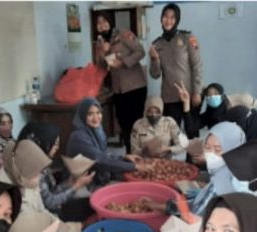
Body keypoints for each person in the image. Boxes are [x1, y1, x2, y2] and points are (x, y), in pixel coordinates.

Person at [17, 122, 94, 222]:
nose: (57, 147)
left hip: (53, 209)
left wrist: (69, 184)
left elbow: (51, 192)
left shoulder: (42, 163)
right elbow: (50, 203)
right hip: (50, 216)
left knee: (91, 202)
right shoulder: (34, 170)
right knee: (89, 207)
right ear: (44, 144)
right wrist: (76, 186)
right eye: (55, 144)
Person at [93, 10, 147, 150]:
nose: (102, 25)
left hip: (135, 87)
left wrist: (123, 62)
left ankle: (138, 155)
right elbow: (103, 67)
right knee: (123, 124)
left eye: (104, 21)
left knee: (135, 124)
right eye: (98, 23)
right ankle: (130, 154)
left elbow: (140, 52)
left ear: (110, 21)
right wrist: (102, 53)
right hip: (118, 89)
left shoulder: (123, 34)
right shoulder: (100, 42)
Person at [148, 3, 203, 136]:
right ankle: (171, 158)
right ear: (161, 19)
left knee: (192, 132)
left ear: (177, 20)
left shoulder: (188, 38)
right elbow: (155, 75)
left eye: (172, 17)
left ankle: (192, 158)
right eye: (165, 17)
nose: (168, 20)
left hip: (189, 94)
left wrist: (197, 92)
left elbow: (197, 66)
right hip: (169, 96)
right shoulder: (157, 44)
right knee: (171, 135)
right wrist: (155, 59)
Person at [66, 97, 138, 186]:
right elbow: (101, 160)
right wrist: (134, 167)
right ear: (82, 115)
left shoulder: (97, 130)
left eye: (98, 113)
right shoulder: (78, 137)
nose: (96, 118)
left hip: (94, 176)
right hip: (78, 184)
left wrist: (123, 158)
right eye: (90, 114)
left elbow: (104, 156)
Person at [0, 138, 53, 215]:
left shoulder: (26, 179)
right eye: (37, 173)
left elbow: (42, 211)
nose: (40, 176)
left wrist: (58, 223)